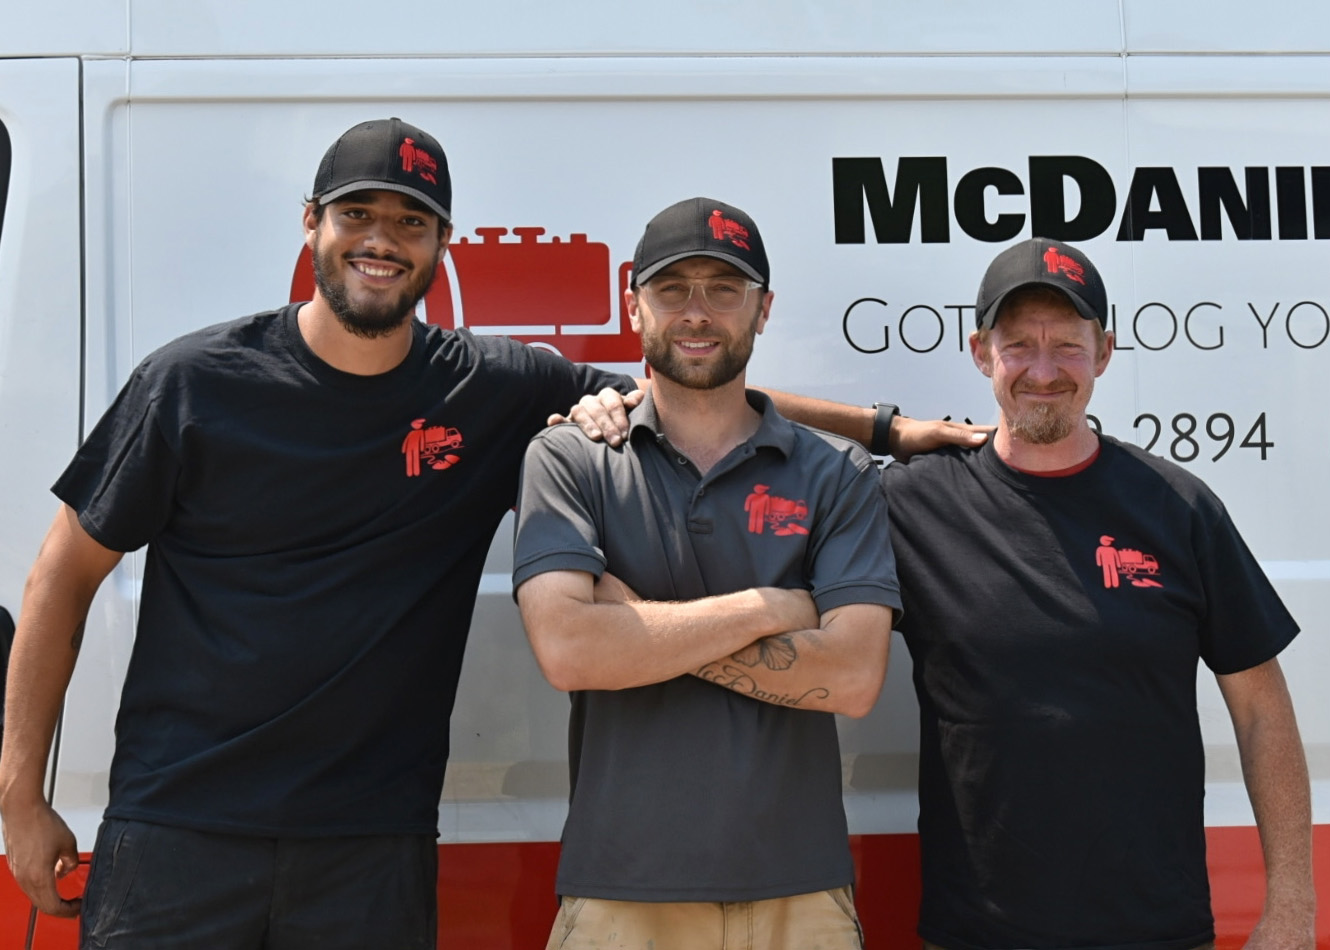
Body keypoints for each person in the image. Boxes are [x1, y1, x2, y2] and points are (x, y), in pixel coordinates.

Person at [0, 119, 978, 947]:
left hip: (370, 843)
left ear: (441, 244)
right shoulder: (196, 383)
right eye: (359, 216)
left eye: (409, 223)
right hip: (178, 829)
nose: (381, 242)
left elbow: (695, 380)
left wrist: (884, 428)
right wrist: (20, 789)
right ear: (312, 225)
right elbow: (60, 574)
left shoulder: (491, 386)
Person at [882, 237, 1314, 950]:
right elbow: (772, 454)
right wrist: (880, 428)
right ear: (980, 352)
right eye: (1018, 345)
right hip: (977, 933)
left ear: (1105, 352)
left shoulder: (1177, 507)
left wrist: (1293, 907)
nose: (1043, 371)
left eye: (1068, 346)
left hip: (1156, 930)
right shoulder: (913, 505)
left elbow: (1263, 710)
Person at [512, 197, 900, 950]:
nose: (697, 312)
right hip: (620, 894)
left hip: (802, 896)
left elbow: (853, 677)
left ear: (763, 309)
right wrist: (769, 606)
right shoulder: (570, 459)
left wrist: (638, 628)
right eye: (672, 288)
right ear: (634, 304)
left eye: (723, 289)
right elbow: (571, 652)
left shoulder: (837, 472)